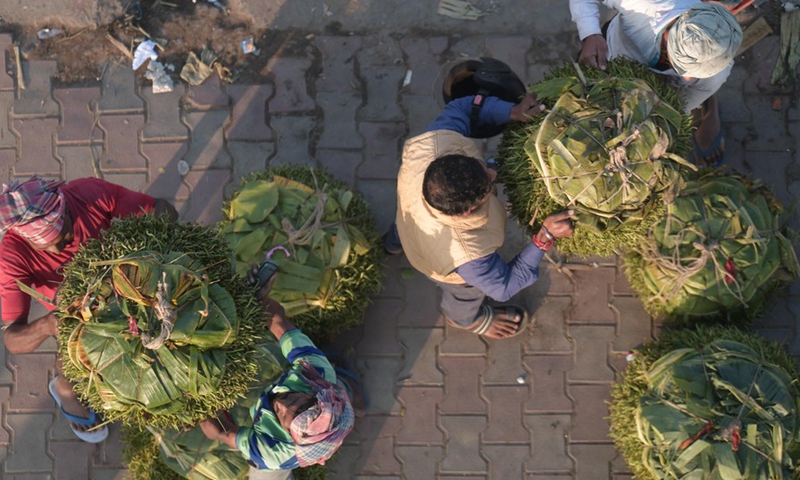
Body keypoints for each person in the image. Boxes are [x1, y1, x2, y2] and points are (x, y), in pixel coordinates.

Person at [0, 176, 178, 443]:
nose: (58, 249)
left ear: (68, 209)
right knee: (71, 359)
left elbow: (163, 210)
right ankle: (64, 389)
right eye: (45, 246)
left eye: (63, 236)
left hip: (120, 284)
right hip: (70, 316)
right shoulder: (11, 255)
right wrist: (47, 325)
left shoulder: (89, 194)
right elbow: (12, 338)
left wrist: (148, 243)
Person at [386, 94, 575, 339]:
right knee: (464, 294)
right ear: (466, 212)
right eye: (488, 184)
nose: (492, 174)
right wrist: (544, 237)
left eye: (485, 170)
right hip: (441, 264)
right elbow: (504, 287)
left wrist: (512, 111)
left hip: (409, 214)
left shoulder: (436, 144)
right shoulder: (466, 256)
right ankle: (465, 320)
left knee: (405, 227)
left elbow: (462, 107)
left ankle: (391, 244)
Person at [199, 269, 361, 480]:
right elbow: (278, 322)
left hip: (280, 461)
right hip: (331, 391)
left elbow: (223, 432)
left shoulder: (272, 451)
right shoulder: (316, 373)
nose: (282, 405)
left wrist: (197, 409)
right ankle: (348, 388)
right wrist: (256, 299)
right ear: (314, 395)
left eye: (284, 416)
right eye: (296, 400)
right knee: (336, 385)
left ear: (290, 436)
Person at [569, 0, 742, 166]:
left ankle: (710, 108)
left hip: (655, 97)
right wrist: (590, 34)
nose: (688, 80)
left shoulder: (716, 74)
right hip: (607, 59)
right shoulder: (648, 5)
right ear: (669, 33)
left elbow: (681, 106)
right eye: (683, 68)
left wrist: (657, 122)